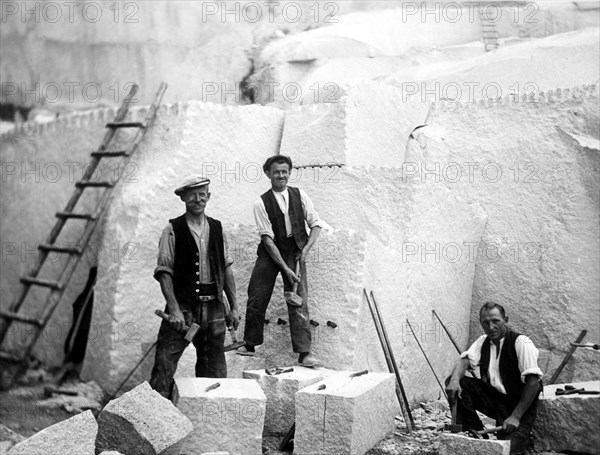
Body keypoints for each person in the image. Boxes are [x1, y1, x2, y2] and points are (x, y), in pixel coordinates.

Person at [149, 176, 239, 399]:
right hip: (183, 309)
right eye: (192, 196)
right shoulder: (172, 229)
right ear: (184, 199)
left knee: (215, 376)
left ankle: (207, 425)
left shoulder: (218, 228)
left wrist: (234, 307)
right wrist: (175, 309)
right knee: (164, 368)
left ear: (208, 196)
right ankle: (155, 424)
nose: (198, 200)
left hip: (215, 311)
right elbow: (164, 273)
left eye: (202, 194)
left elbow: (226, 270)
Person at [237, 155, 322, 367]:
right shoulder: (260, 203)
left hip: (295, 251)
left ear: (289, 172)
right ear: (268, 174)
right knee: (257, 296)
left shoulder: (300, 195)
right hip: (270, 252)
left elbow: (316, 225)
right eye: (276, 172)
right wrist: (285, 269)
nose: (281, 175)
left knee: (298, 300)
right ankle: (250, 344)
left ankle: (304, 353)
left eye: (285, 171)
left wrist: (304, 251)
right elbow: (267, 239)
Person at [445, 302, 543, 454]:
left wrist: (515, 417)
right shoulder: (483, 341)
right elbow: (464, 361)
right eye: (485, 322)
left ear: (506, 320)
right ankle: (473, 431)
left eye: (495, 321)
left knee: (507, 450)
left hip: (518, 405)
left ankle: (523, 438)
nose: (490, 327)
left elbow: (533, 384)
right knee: (458, 382)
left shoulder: (521, 342)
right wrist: (454, 380)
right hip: (495, 400)